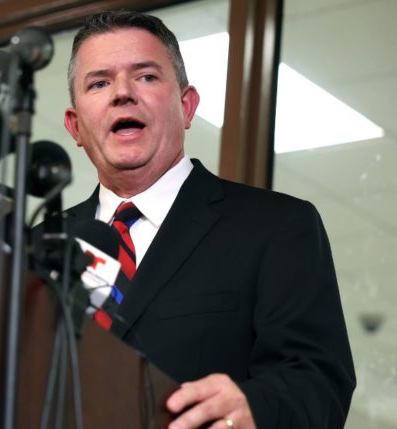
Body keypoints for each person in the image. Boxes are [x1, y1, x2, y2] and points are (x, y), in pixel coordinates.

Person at [60, 10, 355, 428]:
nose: (122, 93)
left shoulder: (277, 226)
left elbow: (318, 386)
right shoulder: (35, 248)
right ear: (75, 126)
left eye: (145, 76)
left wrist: (254, 407)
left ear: (186, 106)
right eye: (99, 82)